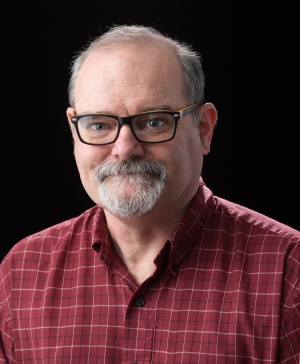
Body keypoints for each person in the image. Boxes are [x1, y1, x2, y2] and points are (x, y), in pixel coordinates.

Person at [0, 25, 299, 364]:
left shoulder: (288, 272)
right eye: (99, 125)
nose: (125, 149)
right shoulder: (22, 273)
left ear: (204, 128)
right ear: (74, 130)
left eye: (153, 122)